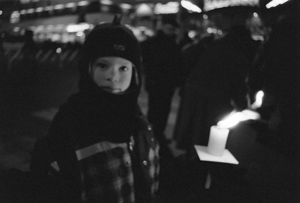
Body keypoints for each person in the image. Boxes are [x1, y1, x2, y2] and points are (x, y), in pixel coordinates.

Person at [30, 16, 160, 203]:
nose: (113, 76)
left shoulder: (139, 121)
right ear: (87, 68)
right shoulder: (72, 119)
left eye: (123, 68)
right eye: (103, 65)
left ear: (135, 74)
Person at [174, 25, 251, 157]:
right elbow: (238, 83)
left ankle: (190, 156)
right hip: (215, 98)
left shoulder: (214, 45)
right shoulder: (238, 53)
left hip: (195, 91)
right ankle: (199, 163)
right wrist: (243, 107)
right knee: (205, 132)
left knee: (193, 128)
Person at [141, 16, 184, 154]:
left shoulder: (171, 43)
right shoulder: (155, 43)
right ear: (163, 26)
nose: (171, 31)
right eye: (170, 28)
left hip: (165, 84)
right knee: (155, 111)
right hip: (157, 83)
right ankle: (153, 136)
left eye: (173, 29)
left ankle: (158, 135)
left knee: (163, 110)